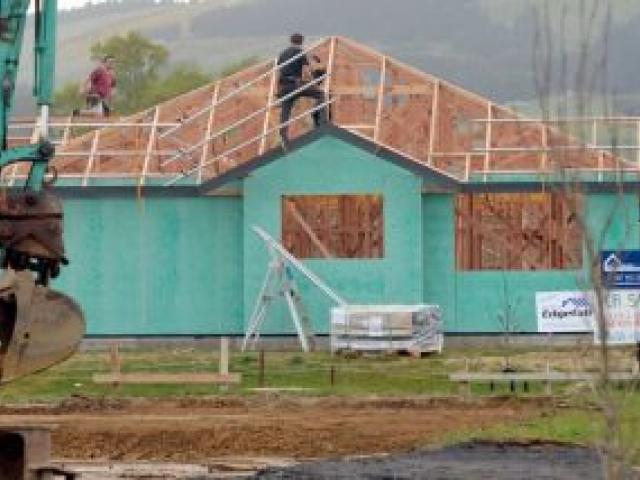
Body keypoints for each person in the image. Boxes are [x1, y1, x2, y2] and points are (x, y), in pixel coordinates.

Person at [277, 33, 327, 144]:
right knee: (321, 94)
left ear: (291, 41)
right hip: (296, 84)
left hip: (285, 86)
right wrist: (313, 83)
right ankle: (322, 121)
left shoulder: (282, 54)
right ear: (302, 42)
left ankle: (283, 136)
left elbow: (279, 71)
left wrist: (279, 91)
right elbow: (306, 70)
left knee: (286, 110)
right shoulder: (300, 52)